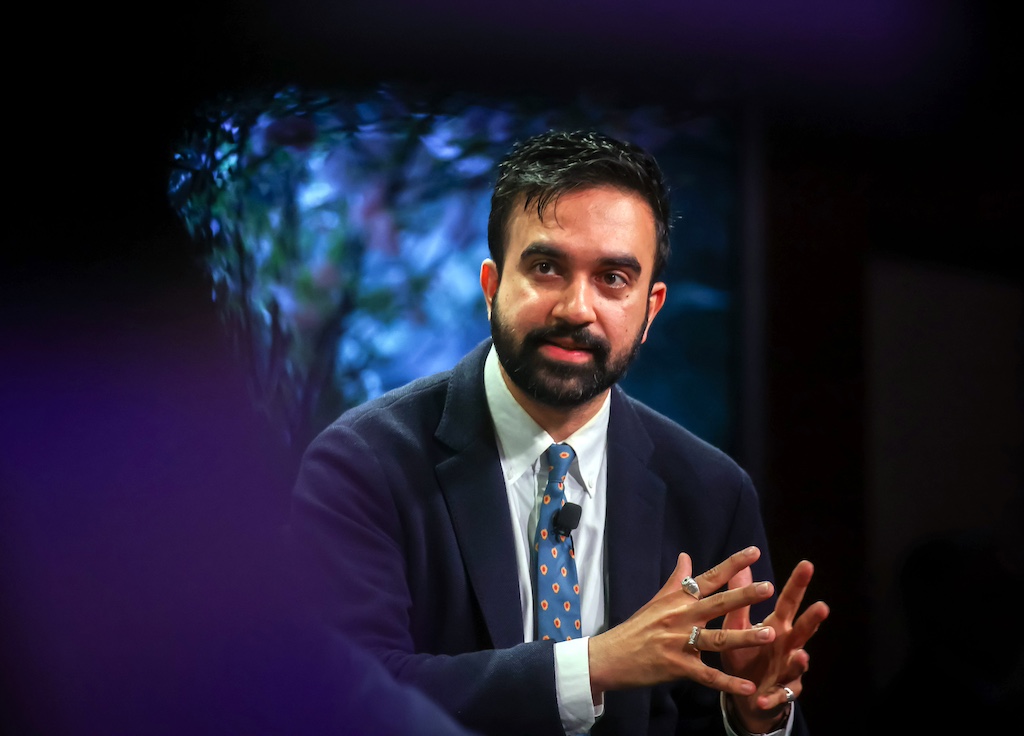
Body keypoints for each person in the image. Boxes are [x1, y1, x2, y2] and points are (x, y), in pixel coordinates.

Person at [288, 130, 830, 736]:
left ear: (650, 310)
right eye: (546, 268)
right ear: (491, 287)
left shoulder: (711, 491)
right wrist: (592, 666)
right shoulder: (363, 464)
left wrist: (754, 716)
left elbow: (714, 714)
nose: (577, 309)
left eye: (613, 278)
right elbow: (343, 697)